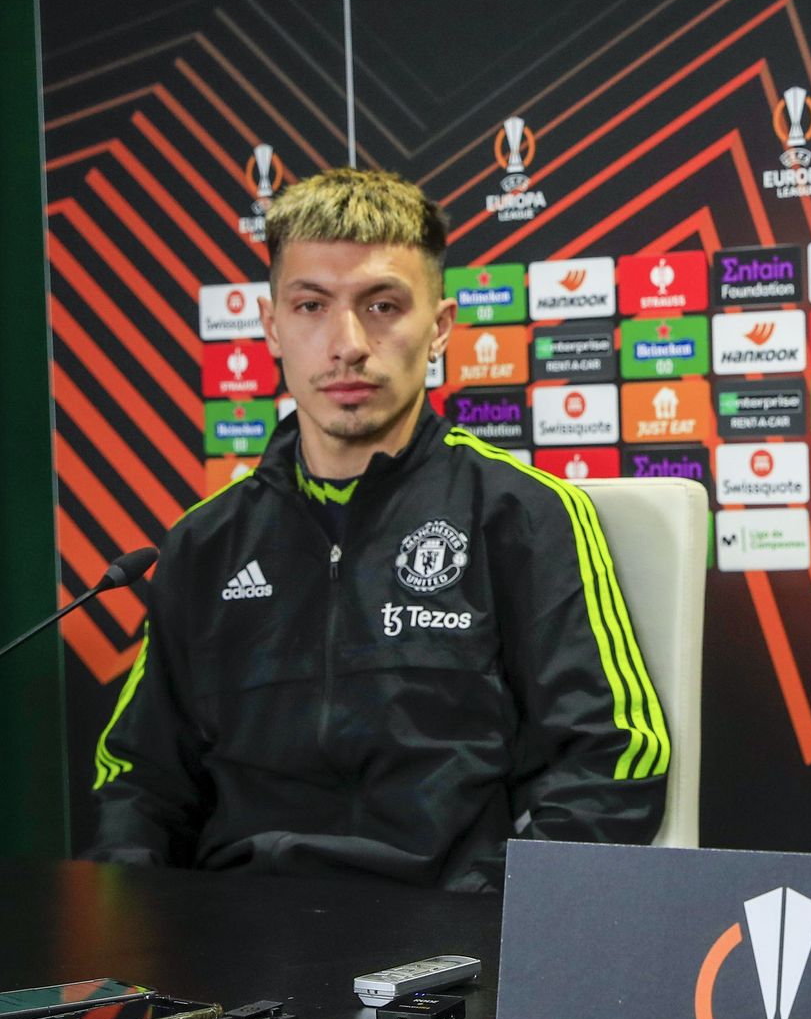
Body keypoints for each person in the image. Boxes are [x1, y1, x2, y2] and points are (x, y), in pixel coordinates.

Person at [88, 168, 668, 892]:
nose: (347, 343)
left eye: (383, 305)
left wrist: (488, 915)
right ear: (272, 327)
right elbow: (139, 784)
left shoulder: (521, 516)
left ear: (441, 327)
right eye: (310, 306)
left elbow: (614, 758)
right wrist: (128, 932)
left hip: (447, 949)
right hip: (232, 945)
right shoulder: (204, 544)